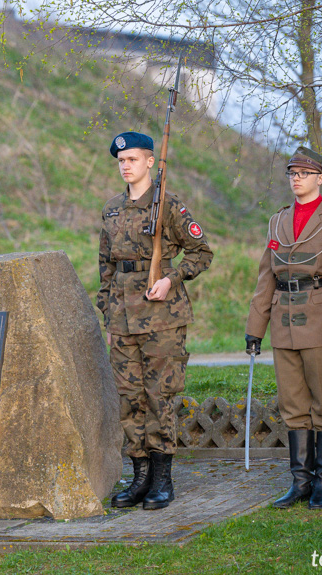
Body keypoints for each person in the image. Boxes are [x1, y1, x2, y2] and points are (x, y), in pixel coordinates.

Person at [97, 131, 213, 510]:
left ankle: (163, 478)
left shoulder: (169, 206)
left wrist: (171, 278)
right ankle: (140, 477)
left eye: (132, 159)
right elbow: (106, 265)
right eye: (120, 161)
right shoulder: (112, 210)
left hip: (162, 319)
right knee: (129, 400)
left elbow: (201, 252)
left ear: (150, 161)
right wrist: (107, 308)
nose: (125, 166)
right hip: (123, 319)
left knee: (159, 396)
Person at [245, 147, 322, 509]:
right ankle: (300, 482)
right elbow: (266, 277)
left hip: (320, 320)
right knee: (293, 405)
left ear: (320, 177)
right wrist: (255, 327)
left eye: (304, 173)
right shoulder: (277, 221)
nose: (296, 179)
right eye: (292, 173)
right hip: (282, 322)